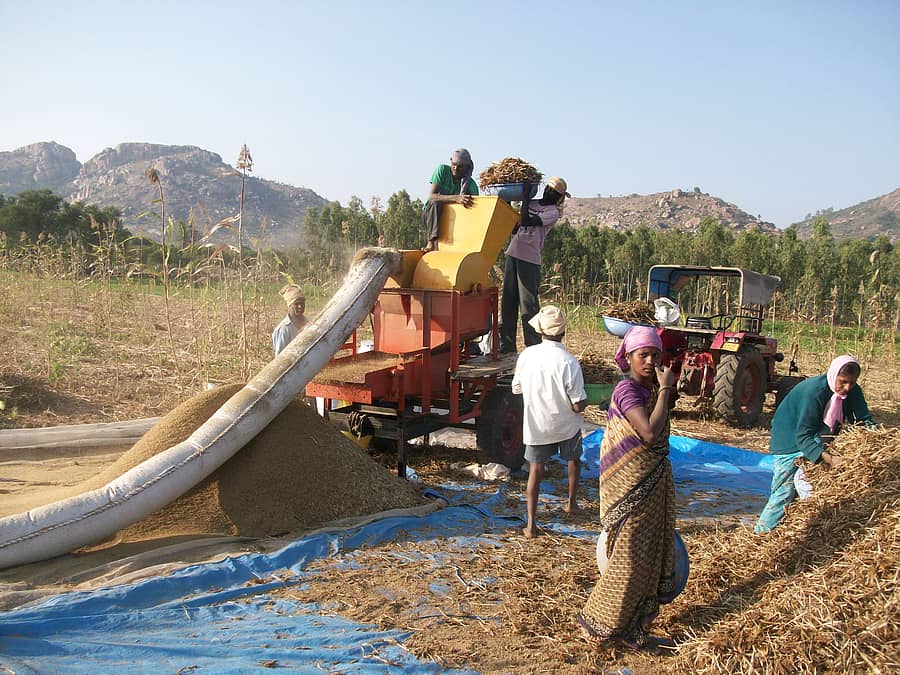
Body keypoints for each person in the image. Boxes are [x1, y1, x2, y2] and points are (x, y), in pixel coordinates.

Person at [578, 325, 678, 653]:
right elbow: (649, 433)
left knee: (651, 558)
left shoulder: (651, 390)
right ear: (629, 358)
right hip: (631, 488)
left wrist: (667, 392)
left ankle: (635, 630)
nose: (649, 361)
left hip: (653, 484)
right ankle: (598, 625)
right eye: (643, 355)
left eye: (655, 355)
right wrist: (665, 391)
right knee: (630, 560)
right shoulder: (627, 391)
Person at [754, 355, 874, 534]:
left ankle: (806, 526)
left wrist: (878, 437)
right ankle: (762, 534)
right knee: (784, 492)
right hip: (789, 438)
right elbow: (803, 435)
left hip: (818, 436)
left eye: (852, 382)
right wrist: (829, 459)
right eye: (843, 382)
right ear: (834, 375)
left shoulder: (852, 391)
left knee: (808, 483)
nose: (847, 387)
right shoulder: (815, 391)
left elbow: (864, 420)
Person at [510, 305, 587, 539]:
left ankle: (531, 525)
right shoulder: (569, 362)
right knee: (573, 460)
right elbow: (577, 404)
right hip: (566, 425)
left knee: (536, 470)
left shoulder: (527, 356)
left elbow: (517, 389)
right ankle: (571, 503)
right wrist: (585, 403)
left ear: (540, 330)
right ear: (563, 332)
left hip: (537, 425)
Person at [498, 176, 570, 354]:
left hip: (529, 260)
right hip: (513, 254)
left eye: (554, 192)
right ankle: (506, 346)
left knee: (528, 306)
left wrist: (525, 199)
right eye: (548, 189)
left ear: (558, 197)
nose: (548, 193)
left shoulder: (552, 212)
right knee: (508, 303)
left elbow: (528, 221)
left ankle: (533, 348)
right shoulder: (532, 203)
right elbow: (516, 227)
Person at [421, 148, 479, 252]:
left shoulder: (471, 185)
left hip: (453, 221)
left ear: (467, 167)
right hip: (431, 216)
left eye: (460, 166)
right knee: (435, 202)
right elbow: (432, 196)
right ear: (450, 161)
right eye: (454, 164)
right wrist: (456, 198)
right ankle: (431, 242)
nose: (456, 168)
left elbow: (475, 209)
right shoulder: (442, 170)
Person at [272, 284, 308, 355]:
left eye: (302, 303)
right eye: (296, 304)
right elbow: (279, 358)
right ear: (289, 306)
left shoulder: (308, 324)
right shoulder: (284, 329)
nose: (300, 306)